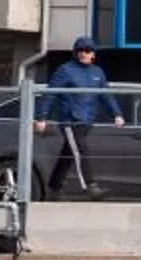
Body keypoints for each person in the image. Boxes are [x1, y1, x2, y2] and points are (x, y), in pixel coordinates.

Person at [35, 36, 123, 200]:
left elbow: (106, 96)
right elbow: (49, 94)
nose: (83, 53)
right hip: (70, 120)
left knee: (68, 154)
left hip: (87, 120)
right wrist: (41, 118)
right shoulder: (65, 70)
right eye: (79, 50)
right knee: (80, 151)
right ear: (75, 53)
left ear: (93, 54)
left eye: (87, 50)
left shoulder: (98, 72)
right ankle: (90, 187)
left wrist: (117, 114)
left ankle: (54, 188)